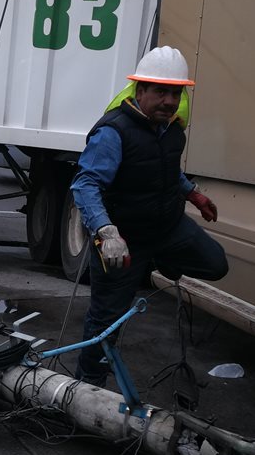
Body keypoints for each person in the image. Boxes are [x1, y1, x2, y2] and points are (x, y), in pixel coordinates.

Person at [69, 45, 229, 387]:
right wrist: (106, 232)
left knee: (215, 264)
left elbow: (166, 169)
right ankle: (86, 387)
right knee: (106, 319)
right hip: (123, 238)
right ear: (140, 91)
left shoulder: (172, 130)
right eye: (160, 92)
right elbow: (85, 184)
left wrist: (192, 193)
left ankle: (155, 261)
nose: (169, 101)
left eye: (175, 92)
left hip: (166, 227)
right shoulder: (114, 132)